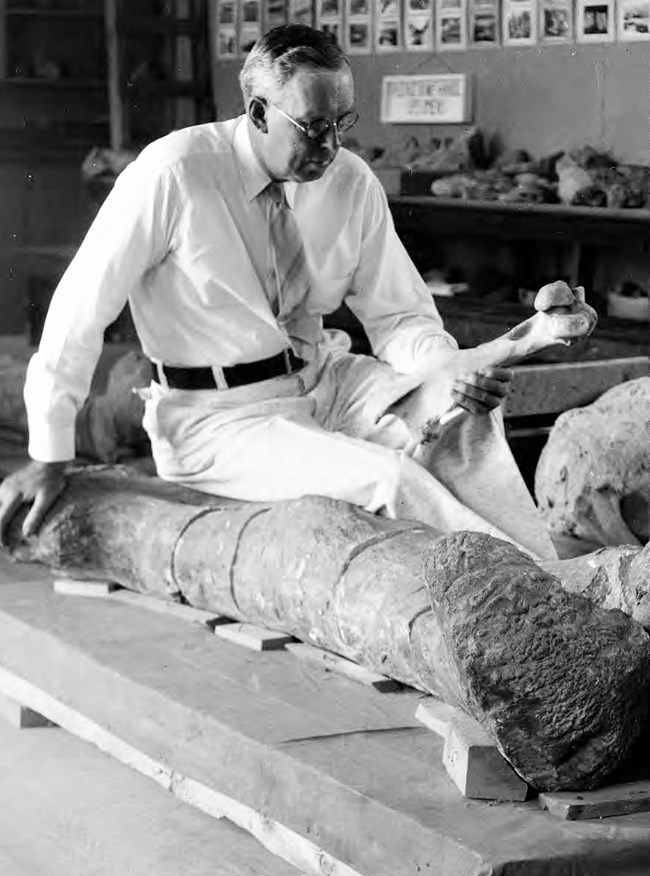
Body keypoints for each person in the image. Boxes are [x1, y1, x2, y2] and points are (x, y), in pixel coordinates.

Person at [0, 24, 557, 560]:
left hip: (326, 379)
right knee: (391, 479)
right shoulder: (173, 174)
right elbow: (79, 309)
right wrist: (49, 454)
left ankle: (554, 575)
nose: (331, 145)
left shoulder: (350, 181)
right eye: (314, 126)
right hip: (218, 419)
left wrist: (449, 370)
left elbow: (400, 317)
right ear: (259, 112)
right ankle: (539, 602)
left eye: (343, 122)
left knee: (459, 415)